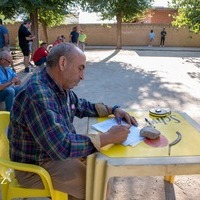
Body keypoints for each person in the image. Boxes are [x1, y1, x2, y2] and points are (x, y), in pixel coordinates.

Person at [8, 43, 138, 200]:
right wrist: (108, 137)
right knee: (98, 186)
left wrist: (113, 109)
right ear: (62, 63)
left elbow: (82, 106)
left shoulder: (57, 85)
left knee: (100, 171)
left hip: (51, 154)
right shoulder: (38, 94)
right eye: (80, 68)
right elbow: (61, 147)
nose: (83, 76)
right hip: (36, 165)